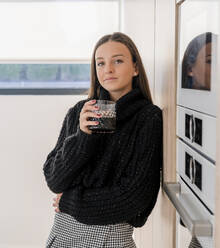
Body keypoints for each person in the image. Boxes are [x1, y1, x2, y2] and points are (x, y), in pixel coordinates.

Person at [43, 32, 163, 248]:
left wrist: (70, 201)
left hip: (111, 237)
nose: (108, 69)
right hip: (62, 232)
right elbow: (55, 179)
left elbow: (135, 198)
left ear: (135, 68)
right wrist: (83, 136)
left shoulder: (148, 117)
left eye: (117, 61)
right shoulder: (80, 112)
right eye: (100, 63)